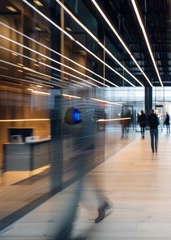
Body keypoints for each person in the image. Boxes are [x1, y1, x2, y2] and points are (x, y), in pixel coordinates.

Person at [53, 101, 111, 240]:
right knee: (87, 182)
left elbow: (76, 129)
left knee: (76, 192)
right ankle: (102, 202)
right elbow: (71, 129)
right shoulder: (80, 108)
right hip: (81, 154)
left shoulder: (83, 109)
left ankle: (64, 233)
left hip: (82, 155)